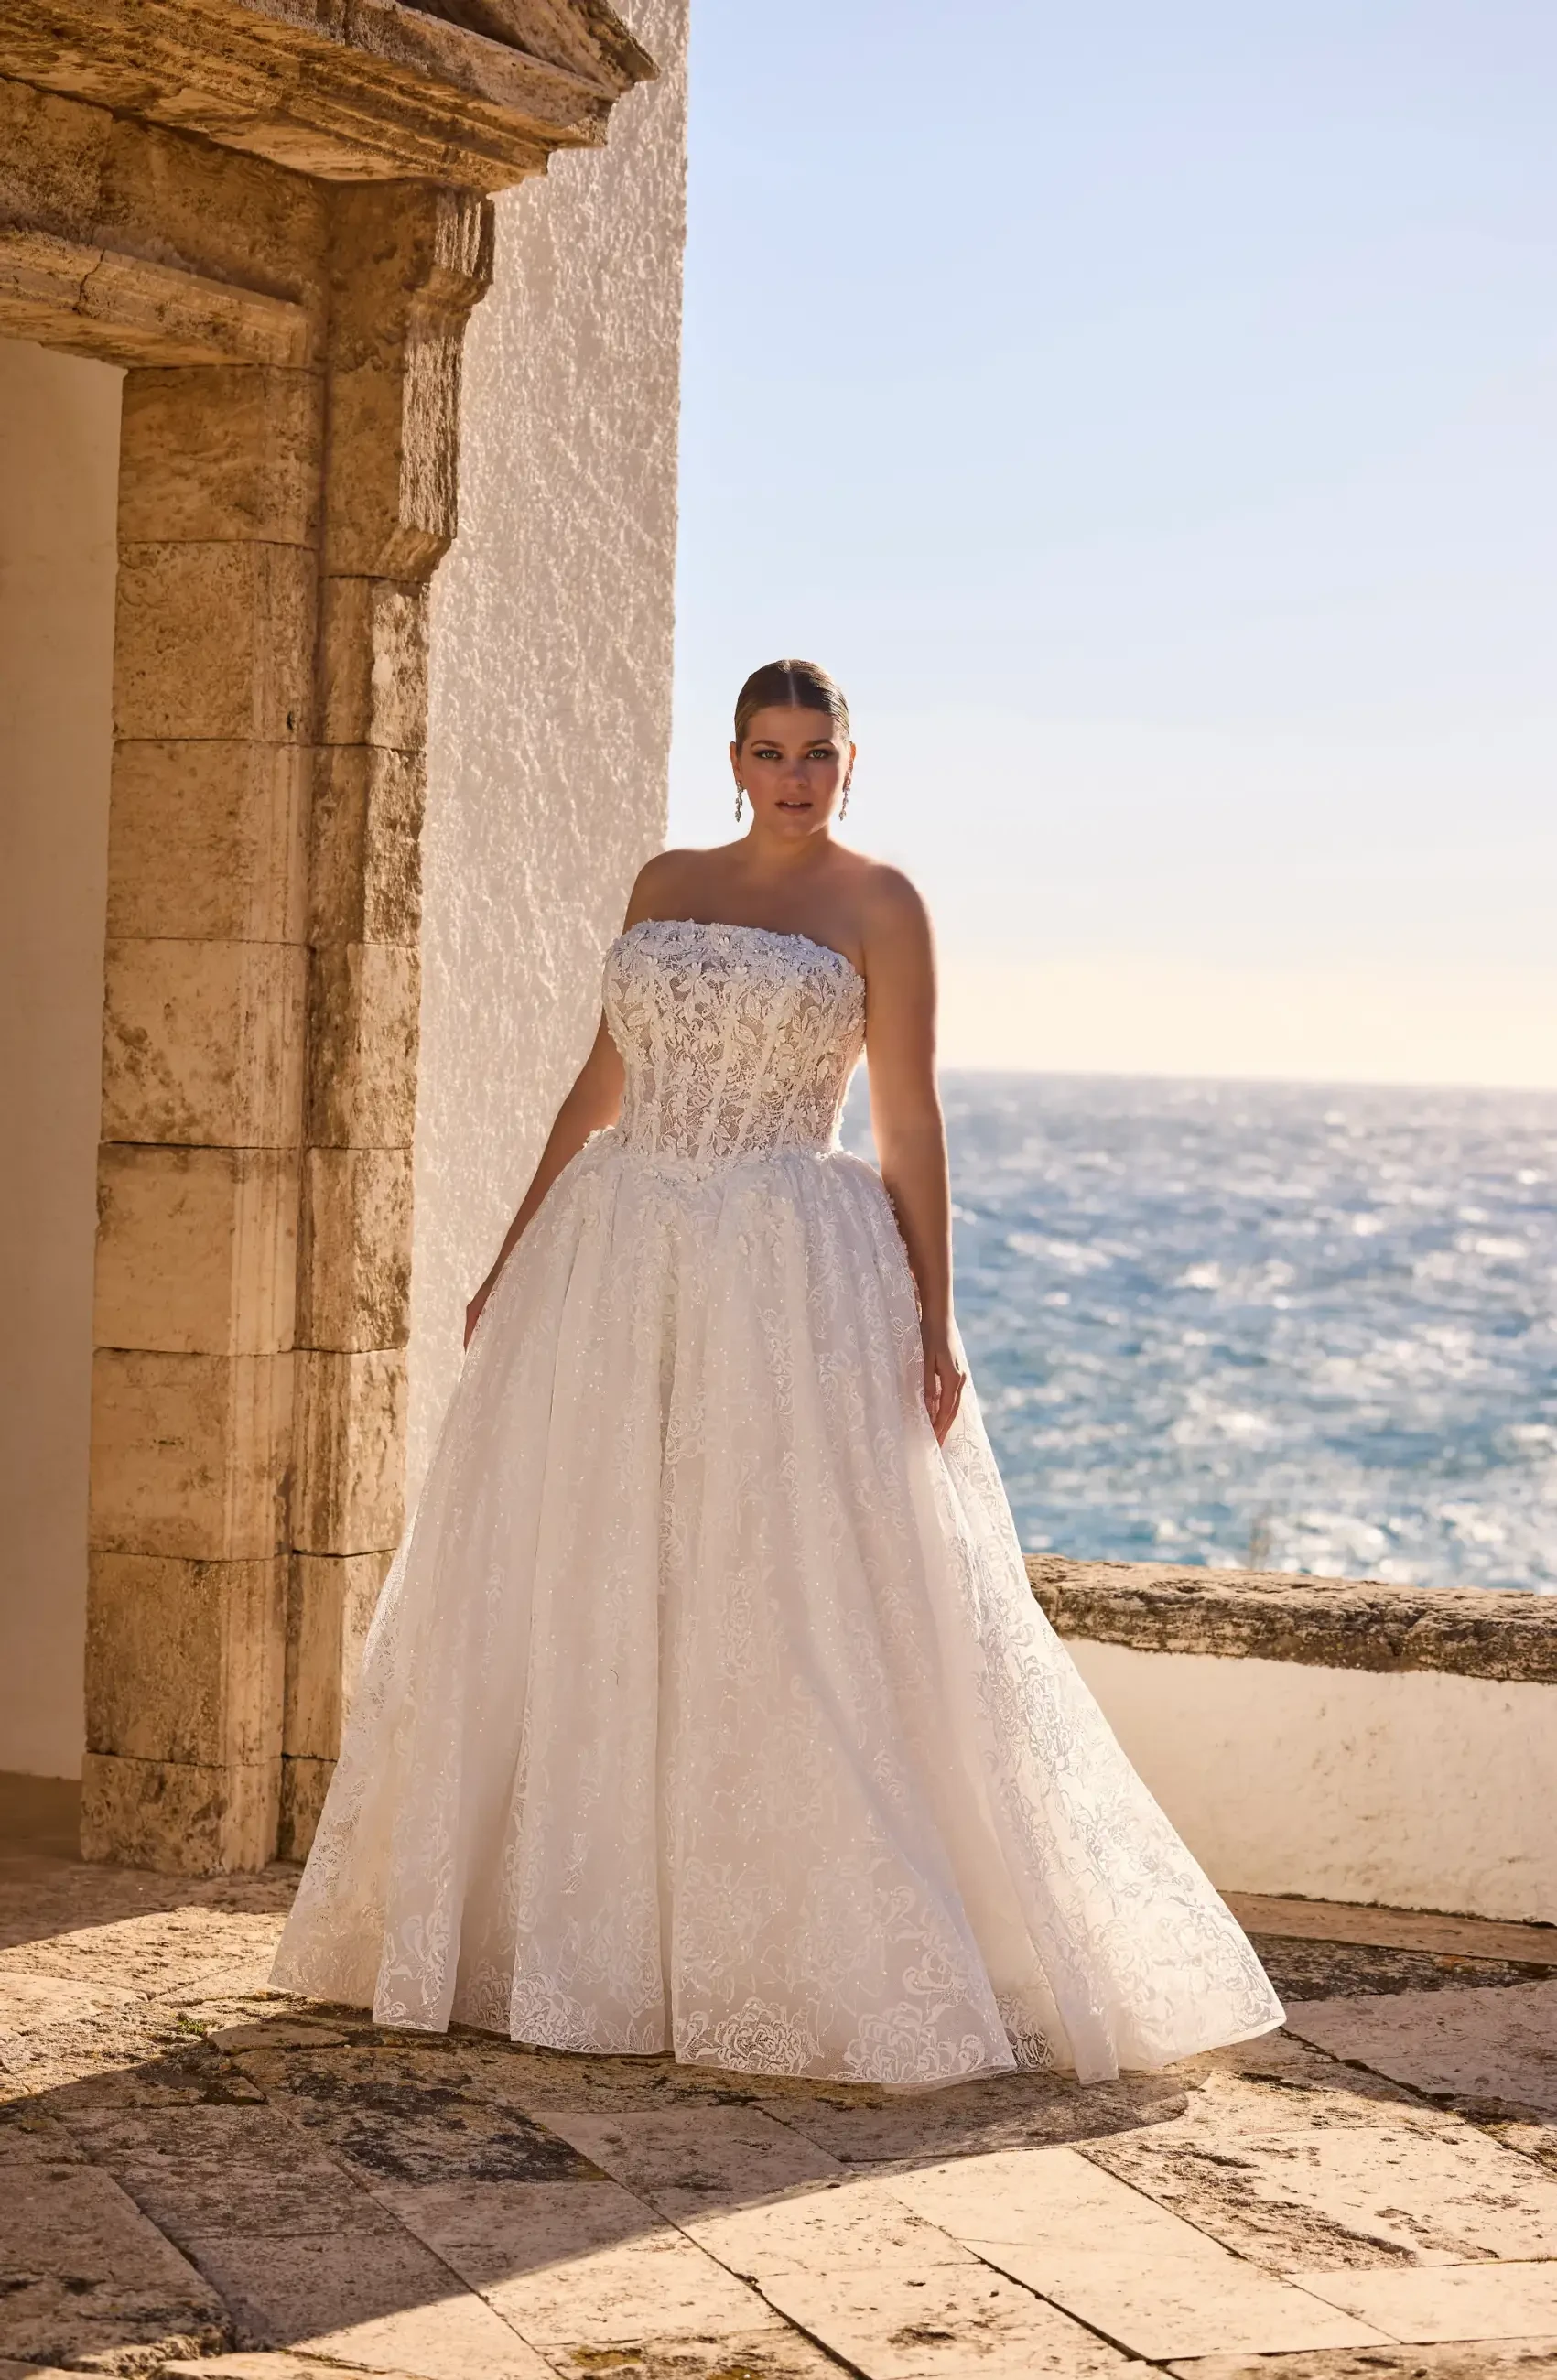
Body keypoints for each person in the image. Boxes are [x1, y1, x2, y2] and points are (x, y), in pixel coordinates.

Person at [272, 658, 1282, 2086]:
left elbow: (911, 1125)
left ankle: (786, 1944)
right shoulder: (661, 879)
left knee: (775, 1584)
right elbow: (595, 1082)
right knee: (596, 1570)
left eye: (819, 752)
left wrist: (936, 1324)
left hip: (782, 1261)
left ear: (853, 764)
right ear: (732, 759)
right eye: (769, 750)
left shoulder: (882, 903)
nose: (794, 775)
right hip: (614, 1252)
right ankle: (580, 1940)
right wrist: (512, 1254)